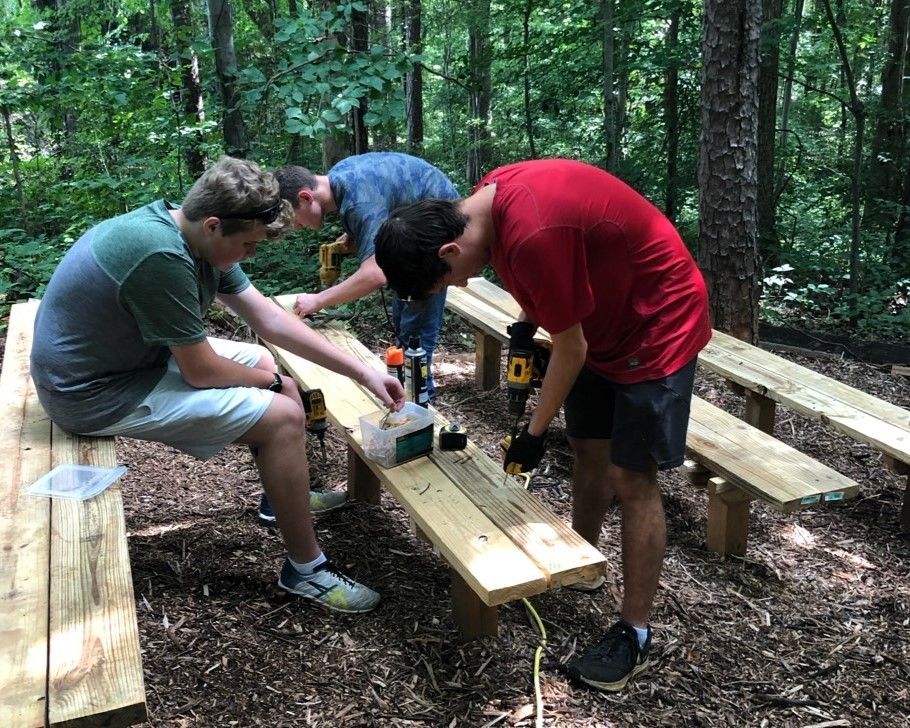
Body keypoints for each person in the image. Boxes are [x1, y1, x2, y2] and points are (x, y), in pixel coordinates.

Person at [373, 159, 711, 691]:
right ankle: (583, 561)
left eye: (448, 280)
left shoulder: (532, 233)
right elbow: (566, 270)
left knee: (632, 479)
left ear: (450, 251)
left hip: (656, 325)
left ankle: (635, 632)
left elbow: (569, 347)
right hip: (601, 320)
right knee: (587, 449)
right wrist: (531, 317)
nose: (459, 286)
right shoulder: (486, 199)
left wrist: (532, 435)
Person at [30, 156, 406, 615]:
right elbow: (202, 372)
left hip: (127, 361)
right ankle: (305, 570)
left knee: (264, 359)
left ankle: (279, 498)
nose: (251, 255)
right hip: (89, 391)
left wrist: (362, 371)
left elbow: (269, 318)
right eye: (248, 245)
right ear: (214, 225)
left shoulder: (190, 234)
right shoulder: (159, 256)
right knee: (282, 413)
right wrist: (273, 384)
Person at [273, 152, 459, 402]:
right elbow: (383, 205)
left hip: (440, 240)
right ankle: (405, 399)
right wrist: (354, 237)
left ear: (305, 197)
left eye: (294, 220)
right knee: (403, 329)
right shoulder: (341, 177)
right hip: (413, 240)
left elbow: (375, 275)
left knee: (415, 338)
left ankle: (421, 414)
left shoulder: (359, 201)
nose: (296, 227)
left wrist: (318, 300)